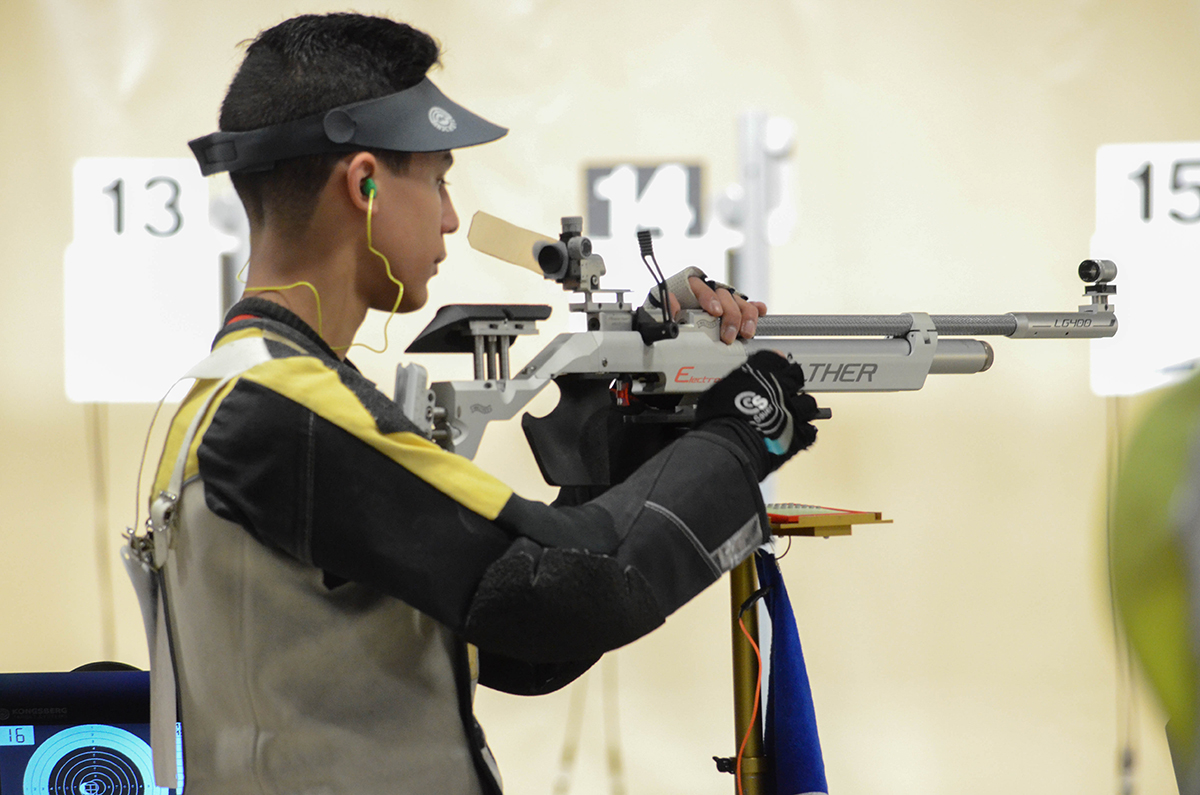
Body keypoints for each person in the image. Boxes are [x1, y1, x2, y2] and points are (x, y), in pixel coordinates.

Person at [131, 12, 820, 794]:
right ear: (363, 184)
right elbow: (574, 591)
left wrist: (642, 417)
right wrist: (742, 431)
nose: (452, 216)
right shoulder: (291, 413)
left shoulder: (242, 391)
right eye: (438, 178)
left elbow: (521, 641)